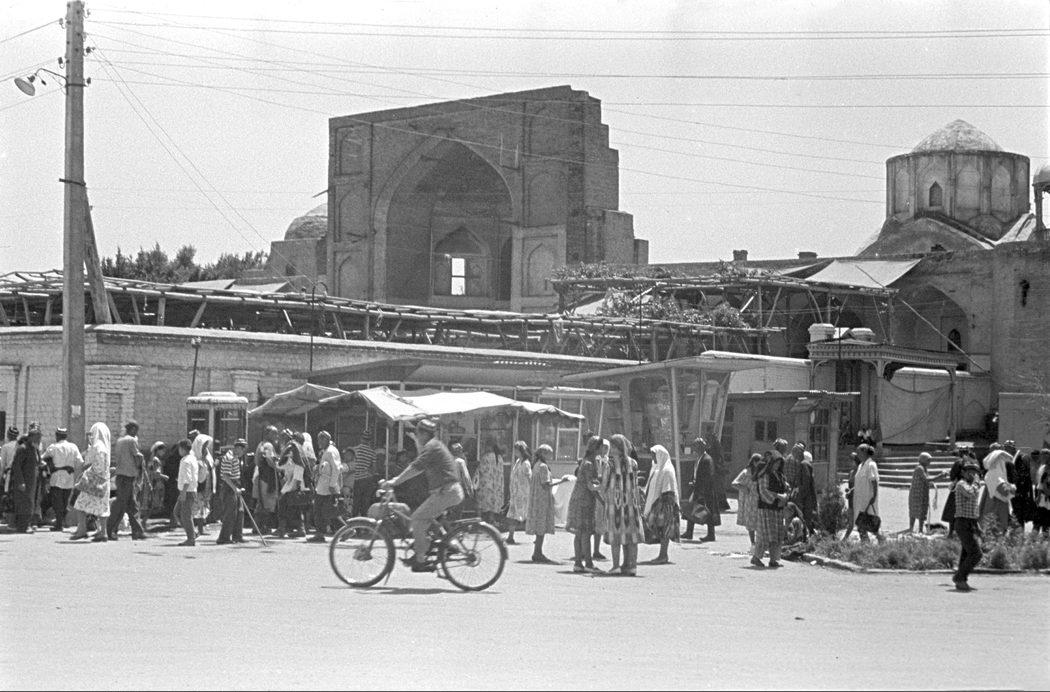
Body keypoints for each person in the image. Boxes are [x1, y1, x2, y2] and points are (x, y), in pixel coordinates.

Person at [380, 419, 464, 573]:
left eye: (418, 433)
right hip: (447, 491)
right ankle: (443, 544)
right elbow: (420, 460)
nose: (416, 436)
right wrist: (414, 439)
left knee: (417, 519)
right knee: (427, 520)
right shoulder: (433, 445)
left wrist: (394, 481)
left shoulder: (431, 447)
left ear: (424, 434)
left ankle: (420, 560)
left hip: (447, 492)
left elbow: (416, 467)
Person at [602, 434, 644, 576]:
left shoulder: (609, 464)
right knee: (631, 537)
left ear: (616, 447)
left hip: (615, 504)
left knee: (615, 537)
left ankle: (615, 566)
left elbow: (604, 485)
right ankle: (631, 566)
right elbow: (636, 484)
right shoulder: (633, 463)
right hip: (631, 504)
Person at [566, 436, 603, 572]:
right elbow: (590, 485)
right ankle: (588, 563)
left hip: (579, 500)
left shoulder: (586, 462)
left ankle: (578, 563)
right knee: (585, 533)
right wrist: (603, 498)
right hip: (585, 502)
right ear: (596, 448)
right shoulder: (589, 464)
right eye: (601, 447)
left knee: (579, 533)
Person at [72, 423, 113, 542]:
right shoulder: (105, 447)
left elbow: (96, 465)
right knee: (103, 507)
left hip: (93, 481)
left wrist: (86, 473)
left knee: (79, 504)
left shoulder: (97, 446)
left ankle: (82, 530)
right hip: (104, 482)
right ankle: (103, 532)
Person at [526, 444, 567, 564]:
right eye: (549, 453)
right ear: (543, 454)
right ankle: (537, 553)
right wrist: (561, 482)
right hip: (542, 499)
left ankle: (537, 551)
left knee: (539, 526)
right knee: (541, 526)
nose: (551, 456)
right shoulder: (543, 466)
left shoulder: (536, 465)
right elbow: (545, 485)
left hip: (536, 498)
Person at [106, 420, 146, 541]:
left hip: (121, 476)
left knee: (132, 505)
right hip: (128, 477)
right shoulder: (132, 440)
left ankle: (137, 531)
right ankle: (110, 530)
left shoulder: (120, 441)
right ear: (133, 429)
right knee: (121, 505)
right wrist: (140, 468)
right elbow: (137, 456)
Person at [642, 444, 680, 565]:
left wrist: (662, 505)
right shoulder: (656, 469)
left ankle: (663, 555)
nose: (652, 457)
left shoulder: (667, 470)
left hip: (665, 504)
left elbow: (669, 490)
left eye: (654, 455)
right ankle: (662, 555)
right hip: (657, 504)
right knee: (660, 530)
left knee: (665, 530)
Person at [41, 427, 83, 532]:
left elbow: (42, 458)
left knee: (57, 502)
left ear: (57, 436)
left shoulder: (53, 447)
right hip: (69, 477)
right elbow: (80, 462)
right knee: (64, 502)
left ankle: (59, 524)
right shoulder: (73, 447)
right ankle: (61, 522)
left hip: (57, 477)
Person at [952, 458, 984, 592]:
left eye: (975, 472)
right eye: (970, 472)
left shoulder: (972, 486)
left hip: (970, 522)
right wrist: (976, 482)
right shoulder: (961, 484)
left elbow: (973, 508)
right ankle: (959, 577)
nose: (973, 474)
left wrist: (977, 526)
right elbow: (970, 493)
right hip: (962, 522)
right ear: (963, 473)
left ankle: (962, 580)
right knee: (976, 554)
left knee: (966, 554)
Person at [753, 450, 788, 569]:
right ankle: (756, 557)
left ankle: (773, 560)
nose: (777, 465)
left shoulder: (779, 475)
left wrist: (785, 494)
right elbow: (763, 491)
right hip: (767, 508)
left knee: (776, 535)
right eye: (775, 463)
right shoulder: (764, 475)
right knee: (765, 535)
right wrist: (778, 496)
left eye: (779, 463)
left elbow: (784, 487)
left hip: (777, 509)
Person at [683, 436, 720, 542]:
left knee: (708, 511)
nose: (694, 448)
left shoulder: (707, 459)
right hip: (697, 488)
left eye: (696, 446)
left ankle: (711, 534)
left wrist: (701, 490)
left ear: (701, 447)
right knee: (691, 509)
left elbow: (708, 476)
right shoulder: (699, 458)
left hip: (705, 491)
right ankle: (689, 532)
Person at [308, 431, 342, 542]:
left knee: (321, 510)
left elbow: (336, 469)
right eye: (319, 439)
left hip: (328, 487)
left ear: (327, 440)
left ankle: (320, 534)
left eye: (322, 439)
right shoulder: (327, 451)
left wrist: (332, 485)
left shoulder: (330, 452)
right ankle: (345, 530)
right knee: (327, 511)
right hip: (323, 487)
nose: (319, 442)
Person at [9, 422, 42, 533]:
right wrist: (20, 482)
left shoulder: (34, 449)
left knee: (30, 503)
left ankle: (26, 524)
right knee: (23, 503)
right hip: (24, 482)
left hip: (33, 481)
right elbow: (16, 467)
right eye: (37, 437)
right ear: (31, 437)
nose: (39, 439)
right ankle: (23, 526)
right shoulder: (22, 449)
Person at [276, 429, 307, 539]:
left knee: (288, 507)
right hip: (290, 485)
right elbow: (283, 466)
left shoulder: (299, 457)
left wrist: (294, 488)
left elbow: (299, 472)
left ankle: (284, 529)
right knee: (292, 509)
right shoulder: (292, 456)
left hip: (294, 487)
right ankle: (291, 529)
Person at [217, 438, 247, 545]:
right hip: (229, 487)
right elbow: (225, 476)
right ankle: (224, 537)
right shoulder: (229, 458)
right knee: (230, 513)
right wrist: (235, 488)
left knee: (240, 512)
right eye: (242, 449)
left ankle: (237, 536)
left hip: (235, 485)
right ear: (237, 448)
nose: (243, 452)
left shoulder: (236, 457)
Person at [979, 448, 1016, 534]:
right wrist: (1013, 487)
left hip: (992, 504)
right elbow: (1005, 492)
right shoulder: (995, 474)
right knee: (996, 530)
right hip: (996, 506)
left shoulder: (991, 473)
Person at [253, 426, 280, 533]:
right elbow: (269, 459)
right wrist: (278, 468)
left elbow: (257, 461)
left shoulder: (261, 444)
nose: (276, 436)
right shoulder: (268, 445)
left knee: (261, 502)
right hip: (267, 477)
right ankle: (263, 527)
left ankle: (256, 527)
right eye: (274, 433)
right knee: (267, 502)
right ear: (268, 434)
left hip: (262, 476)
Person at [908, 452, 944, 534]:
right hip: (916, 494)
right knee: (914, 512)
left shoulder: (924, 468)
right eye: (928, 460)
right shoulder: (919, 469)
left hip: (923, 494)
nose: (929, 462)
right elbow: (926, 479)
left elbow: (925, 481)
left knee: (922, 512)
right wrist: (939, 476)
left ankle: (920, 530)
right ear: (923, 460)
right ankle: (911, 529)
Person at [136, 441, 169, 527]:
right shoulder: (156, 460)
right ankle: (141, 521)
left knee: (150, 505)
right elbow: (156, 473)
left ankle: (142, 521)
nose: (164, 453)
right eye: (163, 450)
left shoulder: (152, 459)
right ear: (158, 450)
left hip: (150, 484)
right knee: (152, 505)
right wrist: (164, 477)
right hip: (155, 484)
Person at [853, 444, 882, 543]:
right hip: (860, 500)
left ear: (864, 452)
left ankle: (881, 540)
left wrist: (874, 496)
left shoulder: (871, 465)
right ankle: (866, 543)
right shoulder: (861, 465)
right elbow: (860, 482)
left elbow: (874, 482)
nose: (857, 455)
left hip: (868, 500)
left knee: (871, 523)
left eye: (859, 452)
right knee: (861, 524)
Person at [505, 441, 532, 544]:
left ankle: (536, 535)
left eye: (516, 450)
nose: (515, 452)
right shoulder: (518, 461)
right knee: (512, 515)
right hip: (515, 493)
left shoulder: (526, 464)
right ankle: (510, 536)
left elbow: (529, 478)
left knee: (525, 515)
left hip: (523, 494)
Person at [732, 454, 762, 545]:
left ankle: (759, 543)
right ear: (754, 462)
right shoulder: (746, 472)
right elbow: (734, 483)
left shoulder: (761, 472)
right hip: (749, 501)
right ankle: (753, 542)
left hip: (760, 500)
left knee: (760, 522)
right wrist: (744, 488)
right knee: (750, 524)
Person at [475, 438, 505, 526]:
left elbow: (481, 470)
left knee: (481, 502)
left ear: (489, 446)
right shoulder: (499, 457)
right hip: (496, 485)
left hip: (486, 484)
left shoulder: (485, 457)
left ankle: (479, 520)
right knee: (492, 503)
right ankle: (491, 520)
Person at [1007, 441, 1035, 532]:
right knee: (1016, 514)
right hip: (1014, 491)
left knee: (1019, 515)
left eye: (1008, 448)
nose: (1006, 450)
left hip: (1020, 493)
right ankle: (1017, 534)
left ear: (1013, 448)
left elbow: (1023, 476)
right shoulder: (1011, 458)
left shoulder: (1021, 458)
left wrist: (1018, 490)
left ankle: (1019, 535)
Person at [191, 434, 216, 537]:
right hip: (198, 485)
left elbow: (210, 467)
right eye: (204, 445)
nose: (205, 447)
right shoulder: (193, 456)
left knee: (203, 507)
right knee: (196, 507)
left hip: (207, 484)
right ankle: (192, 529)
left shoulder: (207, 454)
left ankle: (201, 528)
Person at [175, 438, 197, 546]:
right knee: (177, 512)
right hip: (186, 490)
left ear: (183, 449)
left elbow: (188, 479)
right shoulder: (191, 458)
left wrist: (183, 492)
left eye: (179, 448)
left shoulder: (186, 461)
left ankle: (191, 538)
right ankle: (192, 533)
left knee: (186, 515)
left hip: (187, 491)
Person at [592, 438, 610, 561]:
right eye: (602, 447)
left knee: (600, 522)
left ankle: (596, 550)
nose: (604, 450)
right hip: (594, 493)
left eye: (606, 447)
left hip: (603, 494)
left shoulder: (608, 462)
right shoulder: (594, 461)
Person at [448, 442, 475, 520]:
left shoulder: (447, 461)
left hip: (447, 489)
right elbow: (466, 477)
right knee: (458, 512)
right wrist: (470, 489)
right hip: (458, 489)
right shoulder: (460, 462)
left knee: (449, 511)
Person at [843, 451, 861, 540]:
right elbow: (850, 485)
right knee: (851, 522)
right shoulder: (851, 472)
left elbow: (860, 486)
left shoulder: (860, 472)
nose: (850, 463)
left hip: (857, 499)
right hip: (851, 499)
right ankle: (845, 539)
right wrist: (848, 490)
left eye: (852, 461)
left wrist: (851, 491)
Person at [1033, 449, 1050, 534]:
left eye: (1044, 455)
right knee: (1038, 521)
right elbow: (1040, 482)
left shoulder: (1046, 468)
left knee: (1044, 522)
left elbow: (1042, 483)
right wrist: (1038, 496)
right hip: (1043, 496)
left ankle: (1043, 539)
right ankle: (1033, 539)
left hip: (1045, 497)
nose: (1042, 457)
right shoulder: (1042, 467)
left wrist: (1039, 496)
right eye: (1042, 455)